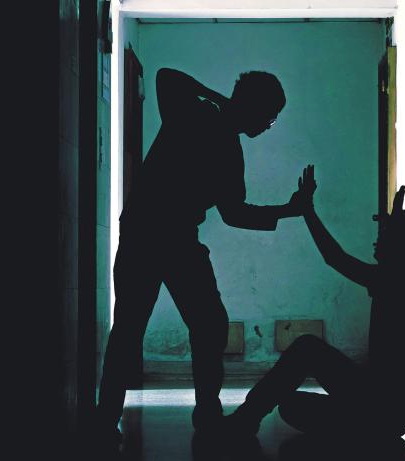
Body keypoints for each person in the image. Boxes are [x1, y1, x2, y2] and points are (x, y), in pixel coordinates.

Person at [95, 68, 302, 444]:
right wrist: (226, 104)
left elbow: (233, 212)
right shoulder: (199, 114)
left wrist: (288, 210)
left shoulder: (220, 138)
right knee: (147, 328)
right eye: (270, 115)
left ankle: (197, 412)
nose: (270, 125)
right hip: (151, 234)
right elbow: (167, 76)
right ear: (253, 107)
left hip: (169, 237)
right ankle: (176, 414)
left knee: (191, 324)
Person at [225, 165, 405, 439]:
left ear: (400, 246)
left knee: (306, 351)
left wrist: (307, 211)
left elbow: (334, 257)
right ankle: (248, 417)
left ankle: (245, 418)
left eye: (385, 235)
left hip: (383, 411)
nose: (377, 239)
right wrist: (395, 222)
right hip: (394, 413)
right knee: (291, 404)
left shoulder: (396, 281)